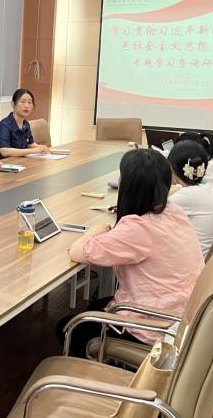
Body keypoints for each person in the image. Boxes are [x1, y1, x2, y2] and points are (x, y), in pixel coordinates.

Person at [57, 148, 203, 357]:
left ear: (128, 186)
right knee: (97, 304)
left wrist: (96, 230)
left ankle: (102, 371)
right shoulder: (174, 211)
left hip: (154, 327)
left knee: (67, 328)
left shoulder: (138, 229)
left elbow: (77, 252)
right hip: (183, 315)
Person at [168, 140, 213, 258]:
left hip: (197, 260)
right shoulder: (206, 187)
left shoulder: (189, 196)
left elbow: (154, 209)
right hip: (211, 257)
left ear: (173, 169)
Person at [0, 89, 49, 158]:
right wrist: (32, 151)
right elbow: (4, 151)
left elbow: (30, 144)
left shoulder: (25, 124)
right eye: (23, 102)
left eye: (30, 102)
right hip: (4, 163)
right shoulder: (4, 125)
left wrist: (41, 147)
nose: (26, 106)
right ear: (13, 104)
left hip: (20, 161)